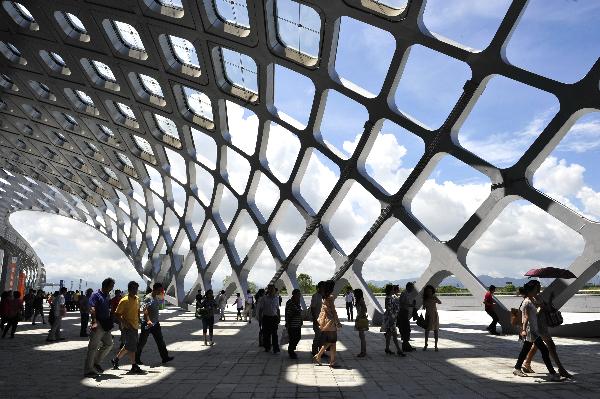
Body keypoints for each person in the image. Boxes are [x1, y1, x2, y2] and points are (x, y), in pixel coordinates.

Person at [521, 281, 572, 379]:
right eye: (538, 286)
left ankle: (526, 364)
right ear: (534, 287)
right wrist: (540, 308)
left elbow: (547, 308)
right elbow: (531, 314)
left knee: (535, 346)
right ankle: (560, 369)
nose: (540, 287)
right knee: (551, 346)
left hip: (542, 325)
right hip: (538, 327)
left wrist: (550, 299)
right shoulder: (529, 300)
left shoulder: (539, 297)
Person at [513, 281, 560, 381]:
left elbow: (538, 310)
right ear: (530, 290)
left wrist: (548, 301)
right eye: (536, 288)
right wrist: (524, 330)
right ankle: (552, 373)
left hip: (534, 330)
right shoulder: (526, 302)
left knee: (525, 349)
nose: (538, 290)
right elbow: (525, 317)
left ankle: (517, 368)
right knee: (544, 350)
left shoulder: (532, 300)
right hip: (531, 331)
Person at [84, 278, 115, 378]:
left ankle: (96, 362)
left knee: (109, 344)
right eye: (111, 286)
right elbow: (92, 309)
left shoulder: (107, 295)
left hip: (106, 324)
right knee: (93, 347)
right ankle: (88, 370)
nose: (112, 288)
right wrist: (93, 322)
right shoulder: (95, 295)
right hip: (98, 323)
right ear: (105, 285)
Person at [136, 283, 174, 364]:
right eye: (160, 290)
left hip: (156, 324)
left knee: (160, 341)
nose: (161, 292)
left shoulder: (156, 297)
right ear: (155, 289)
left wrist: (162, 294)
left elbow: (161, 302)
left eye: (161, 290)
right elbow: (145, 310)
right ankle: (136, 358)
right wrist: (148, 321)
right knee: (142, 342)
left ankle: (165, 357)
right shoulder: (148, 298)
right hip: (147, 324)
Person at [111, 281, 144, 374]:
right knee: (132, 346)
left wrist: (139, 319)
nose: (135, 291)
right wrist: (125, 323)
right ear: (129, 289)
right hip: (128, 327)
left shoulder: (137, 299)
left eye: (136, 289)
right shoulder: (124, 300)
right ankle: (134, 365)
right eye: (134, 289)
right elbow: (117, 314)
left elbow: (137, 310)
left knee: (128, 346)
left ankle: (115, 359)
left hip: (135, 325)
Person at [313, 280, 342, 367]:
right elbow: (333, 311)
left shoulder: (324, 297)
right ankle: (318, 356)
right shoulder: (330, 297)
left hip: (326, 322)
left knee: (332, 342)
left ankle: (332, 361)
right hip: (331, 322)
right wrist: (338, 322)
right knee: (331, 341)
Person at [381, 284, 404, 356]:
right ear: (390, 290)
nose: (394, 290)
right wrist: (393, 316)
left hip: (391, 318)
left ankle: (387, 348)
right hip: (391, 318)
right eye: (393, 289)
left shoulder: (390, 297)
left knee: (389, 334)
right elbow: (388, 308)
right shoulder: (389, 298)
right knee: (394, 335)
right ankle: (399, 350)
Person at [260, 284, 280, 353]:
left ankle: (275, 348)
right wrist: (260, 319)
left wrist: (279, 317)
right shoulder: (264, 298)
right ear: (268, 290)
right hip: (266, 318)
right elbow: (261, 309)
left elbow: (277, 309)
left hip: (274, 318)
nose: (271, 290)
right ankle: (267, 347)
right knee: (266, 334)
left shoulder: (277, 298)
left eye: (273, 289)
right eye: (270, 289)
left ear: (274, 290)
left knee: (274, 334)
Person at [398, 282, 417, 351]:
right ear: (408, 287)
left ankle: (406, 345)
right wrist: (410, 305)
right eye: (412, 287)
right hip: (403, 312)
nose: (413, 289)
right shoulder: (404, 293)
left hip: (405, 312)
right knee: (405, 329)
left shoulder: (408, 294)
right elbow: (402, 303)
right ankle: (405, 346)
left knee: (407, 329)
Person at [285, 288, 303, 359]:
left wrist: (301, 320)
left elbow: (299, 312)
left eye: (299, 294)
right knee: (293, 338)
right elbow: (288, 313)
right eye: (298, 294)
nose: (299, 296)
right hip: (292, 324)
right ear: (294, 294)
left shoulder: (297, 302)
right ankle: (291, 351)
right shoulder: (290, 302)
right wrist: (288, 323)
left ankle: (292, 349)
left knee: (298, 337)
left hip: (297, 323)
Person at [422, 285, 441, 351]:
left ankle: (436, 346)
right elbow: (424, 307)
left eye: (430, 291)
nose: (429, 292)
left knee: (436, 330)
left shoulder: (434, 297)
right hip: (428, 316)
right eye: (427, 291)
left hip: (434, 315)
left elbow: (440, 302)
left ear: (432, 291)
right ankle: (425, 344)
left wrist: (435, 298)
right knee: (427, 331)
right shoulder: (425, 299)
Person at [310, 281, 325, 356]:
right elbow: (312, 308)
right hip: (317, 320)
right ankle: (314, 351)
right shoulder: (315, 296)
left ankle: (321, 352)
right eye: (322, 287)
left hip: (324, 320)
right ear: (319, 288)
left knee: (323, 337)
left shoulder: (324, 296)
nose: (323, 288)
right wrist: (314, 319)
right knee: (318, 336)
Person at [354, 288, 368, 357]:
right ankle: (363, 351)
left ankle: (363, 352)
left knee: (362, 336)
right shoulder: (359, 300)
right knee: (361, 336)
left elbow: (365, 309)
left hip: (361, 319)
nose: (354, 294)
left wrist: (359, 316)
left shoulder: (361, 300)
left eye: (355, 293)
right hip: (360, 318)